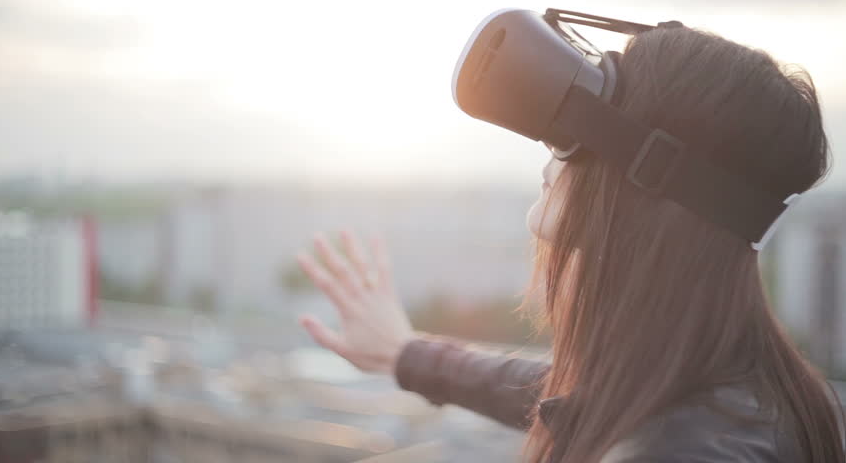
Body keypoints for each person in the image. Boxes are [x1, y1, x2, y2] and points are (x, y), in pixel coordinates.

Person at [294, 24, 845, 462]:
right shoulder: (764, 390)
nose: (550, 157)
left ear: (651, 181)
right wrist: (404, 354)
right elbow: (571, 391)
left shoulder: (676, 449)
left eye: (573, 135)